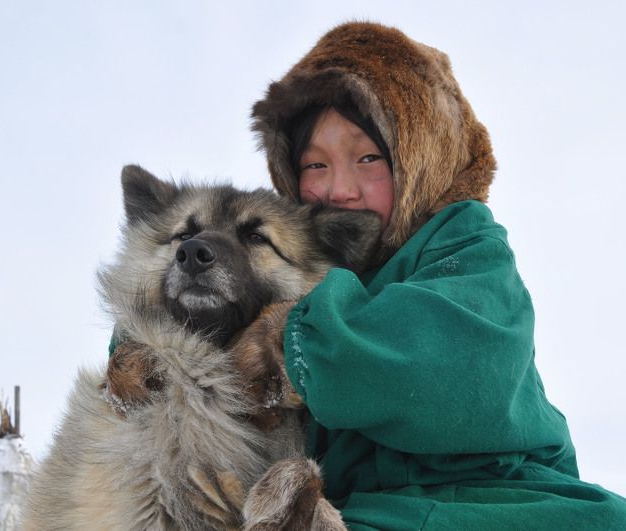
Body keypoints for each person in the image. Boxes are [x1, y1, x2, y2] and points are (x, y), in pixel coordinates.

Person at [244, 21, 626, 529]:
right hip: (359, 508)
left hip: (488, 496)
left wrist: (282, 344)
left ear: (419, 161)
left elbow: (439, 369)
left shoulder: (466, 243)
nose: (339, 189)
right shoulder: (291, 258)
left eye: (367, 158)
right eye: (314, 166)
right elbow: (196, 306)